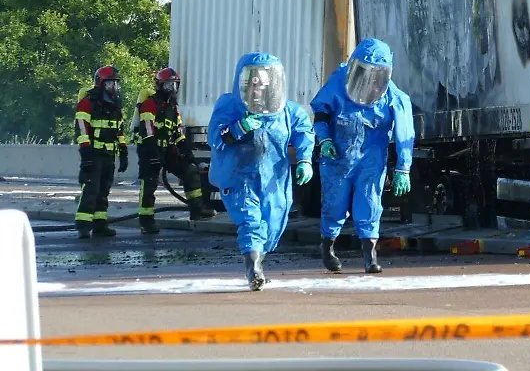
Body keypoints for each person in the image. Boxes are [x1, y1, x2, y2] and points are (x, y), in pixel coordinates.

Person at [207, 52, 314, 291]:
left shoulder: (288, 111)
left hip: (274, 180)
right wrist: (238, 128)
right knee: (251, 222)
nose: (256, 89)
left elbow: (304, 132)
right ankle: (253, 269)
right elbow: (214, 136)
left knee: (273, 223)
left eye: (262, 83)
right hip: (239, 177)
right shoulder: (229, 105)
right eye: (251, 83)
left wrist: (305, 159)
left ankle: (258, 262)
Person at [311, 38, 415, 275]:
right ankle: (328, 246)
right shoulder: (338, 83)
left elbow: (405, 134)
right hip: (337, 158)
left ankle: (370, 256)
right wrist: (325, 139)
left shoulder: (394, 97)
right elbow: (321, 113)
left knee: (369, 204)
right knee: (334, 206)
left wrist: (403, 168)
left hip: (370, 159)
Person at [131, 67, 217, 234]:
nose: (172, 89)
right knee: (148, 185)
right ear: (160, 86)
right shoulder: (149, 104)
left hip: (168, 149)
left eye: (175, 85)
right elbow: (147, 131)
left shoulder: (173, 108)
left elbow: (178, 134)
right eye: (168, 85)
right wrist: (153, 154)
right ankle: (146, 221)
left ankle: (197, 210)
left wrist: (189, 155)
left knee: (190, 172)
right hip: (150, 150)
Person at [73, 65, 129, 239]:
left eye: (116, 84)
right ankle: (83, 226)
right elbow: (81, 128)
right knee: (91, 190)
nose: (114, 88)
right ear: (101, 83)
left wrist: (123, 151)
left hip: (109, 155)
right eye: (110, 84)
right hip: (94, 154)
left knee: (103, 192)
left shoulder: (115, 106)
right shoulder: (87, 102)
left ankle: (100, 225)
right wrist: (86, 152)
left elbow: (119, 130)